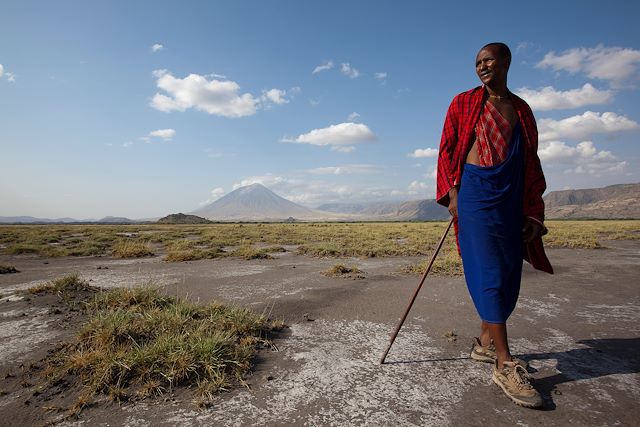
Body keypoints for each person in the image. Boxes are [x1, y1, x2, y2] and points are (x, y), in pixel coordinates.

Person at [436, 42, 553, 408]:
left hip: (510, 196)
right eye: (477, 62)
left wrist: (533, 210)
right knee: (487, 271)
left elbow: (531, 161)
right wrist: (453, 194)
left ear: (506, 62)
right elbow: (447, 148)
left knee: (505, 272)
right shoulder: (463, 103)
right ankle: (504, 363)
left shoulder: (521, 110)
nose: (482, 66)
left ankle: (485, 345)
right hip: (475, 194)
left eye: (488, 60)